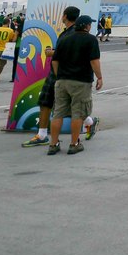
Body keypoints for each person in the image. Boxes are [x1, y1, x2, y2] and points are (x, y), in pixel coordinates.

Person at [23, 7, 98, 148]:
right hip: (61, 74)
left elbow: (66, 54)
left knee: (65, 106)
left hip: (63, 74)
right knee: (49, 102)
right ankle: (44, 134)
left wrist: (52, 54)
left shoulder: (72, 34)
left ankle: (82, 128)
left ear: (65, 16)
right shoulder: (70, 33)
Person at [47, 16, 102, 155]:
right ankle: (74, 143)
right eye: (90, 24)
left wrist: (58, 75)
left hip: (62, 81)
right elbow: (94, 61)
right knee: (78, 113)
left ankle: (53, 144)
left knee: (58, 113)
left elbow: (55, 60)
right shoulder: (91, 40)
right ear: (87, 26)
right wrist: (99, 77)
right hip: (80, 81)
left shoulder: (65, 38)